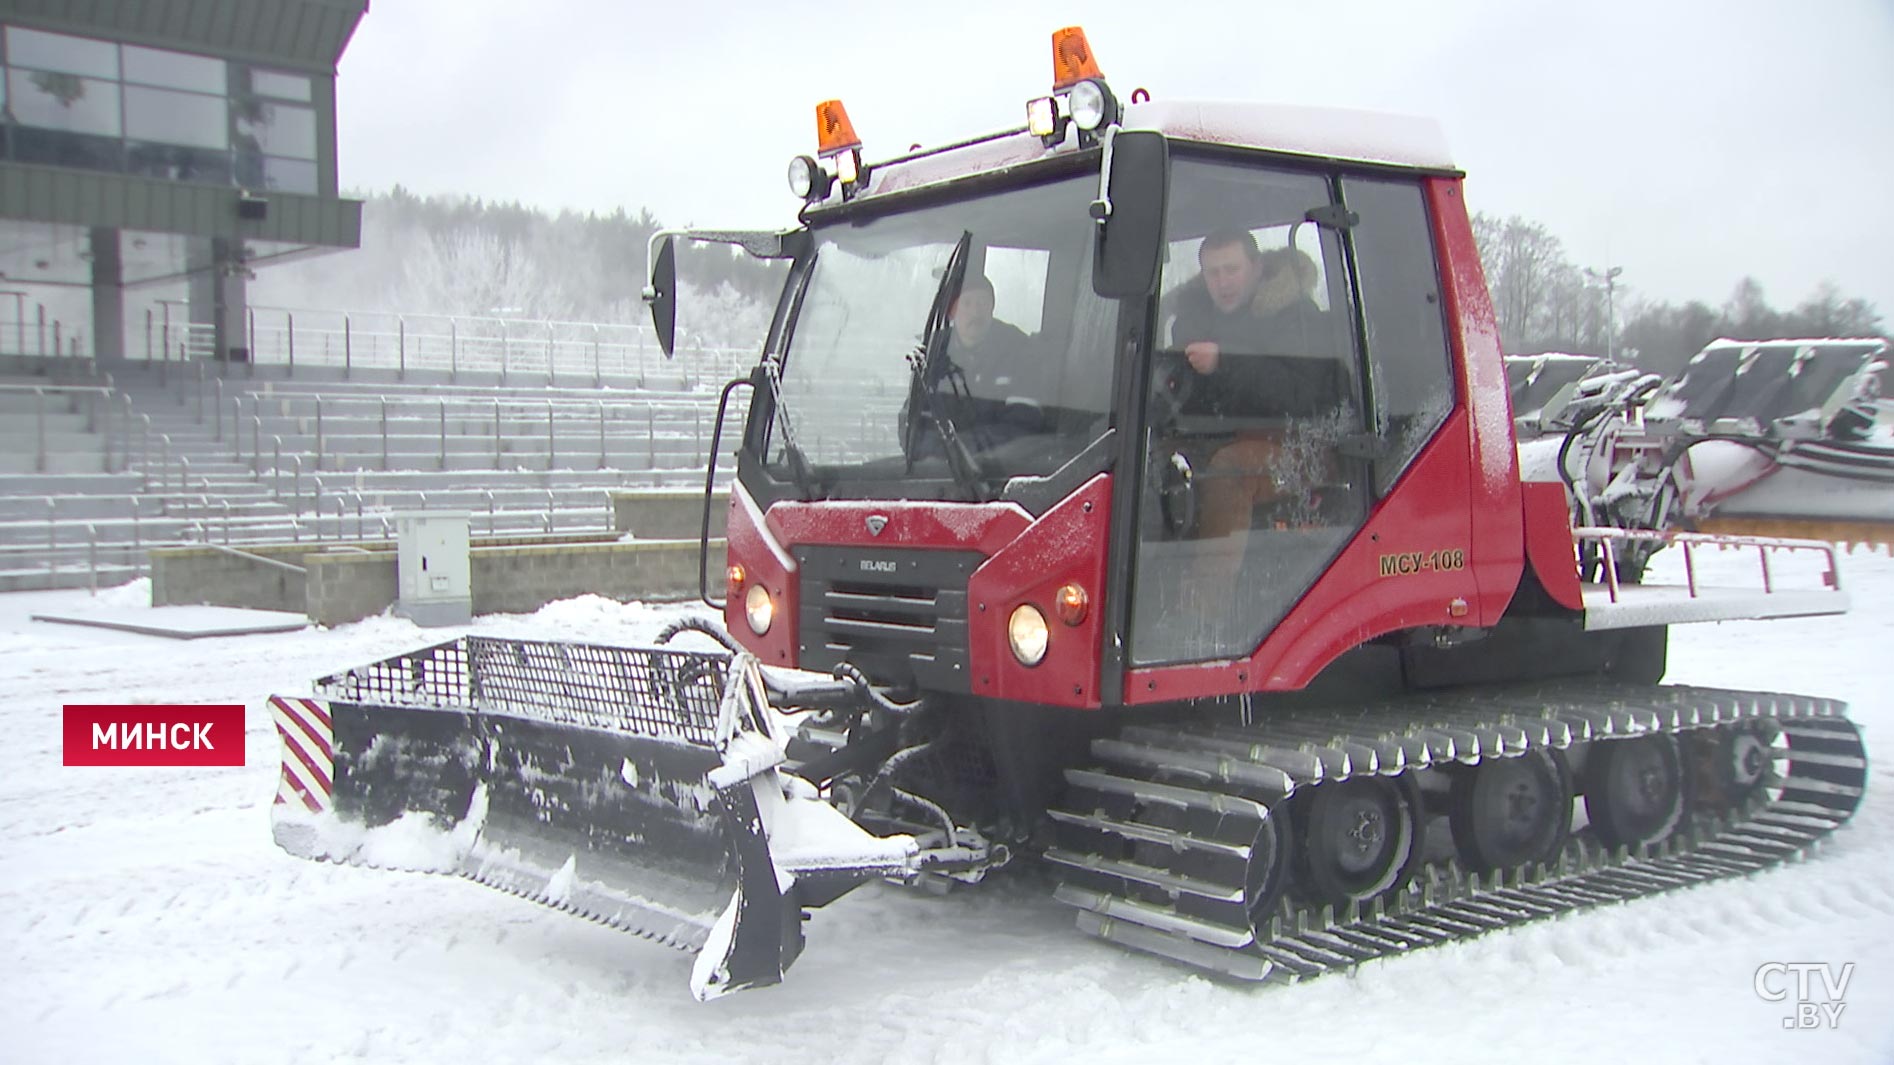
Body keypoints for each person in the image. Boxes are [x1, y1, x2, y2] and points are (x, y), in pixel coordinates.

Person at [1167, 231, 1342, 584]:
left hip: (1301, 445)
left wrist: (1225, 363)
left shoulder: (1295, 316)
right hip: (1223, 434)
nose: (1222, 282)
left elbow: (1299, 395)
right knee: (1150, 461)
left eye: (1231, 270)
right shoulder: (1195, 320)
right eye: (1213, 273)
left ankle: (1206, 611)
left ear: (1257, 267)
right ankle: (1154, 584)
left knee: (1228, 471)